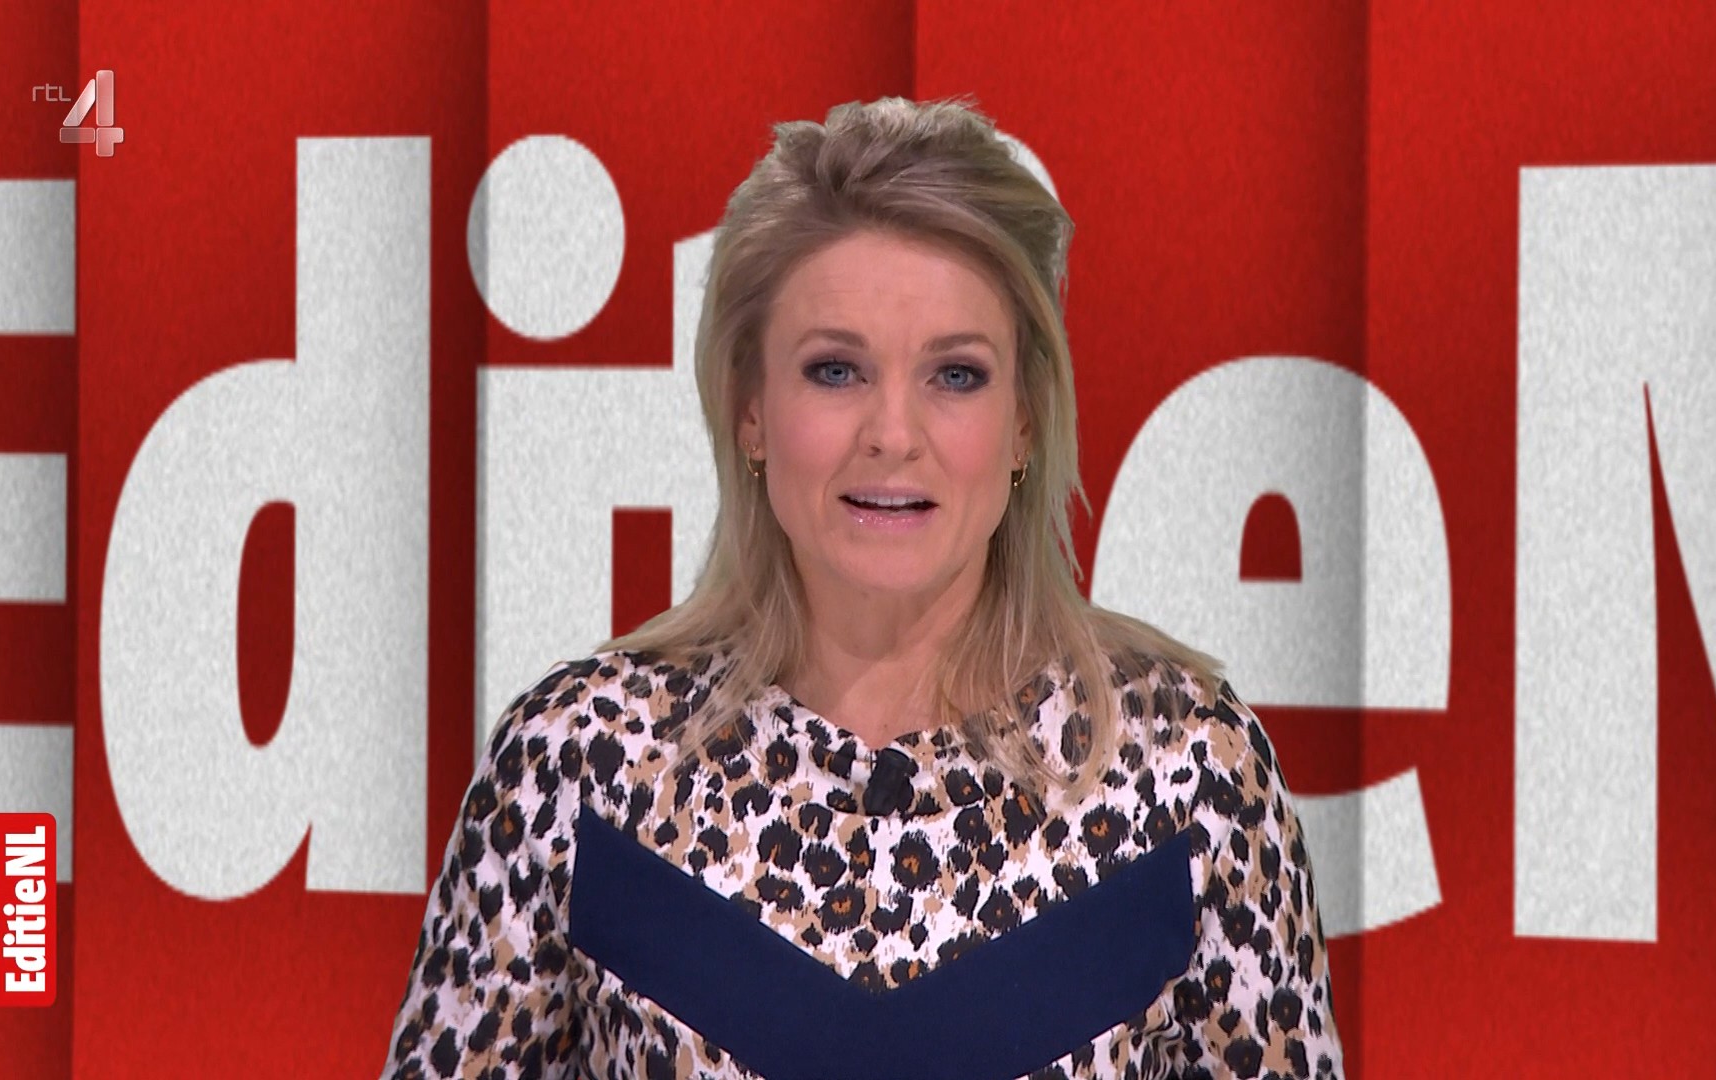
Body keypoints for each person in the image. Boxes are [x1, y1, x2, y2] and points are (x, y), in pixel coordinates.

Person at [382, 96, 1342, 1080]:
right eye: (836, 370)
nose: (892, 434)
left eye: (955, 375)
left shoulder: (1187, 774)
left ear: (1024, 422)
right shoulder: (580, 767)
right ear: (750, 410)